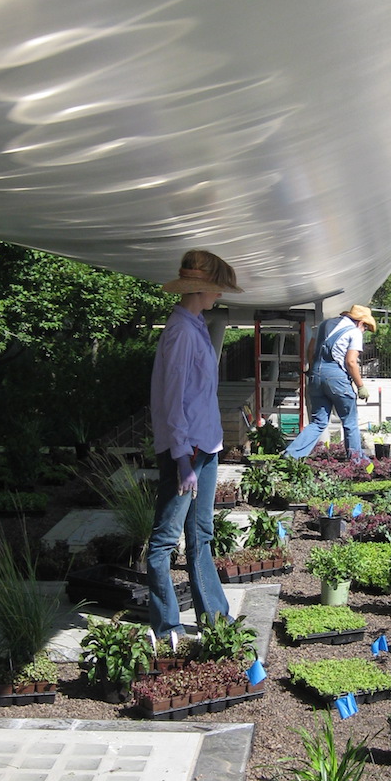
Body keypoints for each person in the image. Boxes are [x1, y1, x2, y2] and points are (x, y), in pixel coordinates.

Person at [147, 249, 242, 646]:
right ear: (201, 288)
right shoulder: (181, 331)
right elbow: (172, 397)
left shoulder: (195, 324)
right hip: (187, 451)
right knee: (164, 542)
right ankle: (168, 626)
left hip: (204, 447)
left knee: (200, 533)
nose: (220, 295)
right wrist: (182, 457)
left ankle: (215, 618)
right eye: (217, 288)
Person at [283, 304, 376, 460]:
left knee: (318, 422)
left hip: (316, 376)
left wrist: (314, 370)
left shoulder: (323, 325)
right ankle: (357, 462)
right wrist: (360, 386)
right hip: (337, 378)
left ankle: (292, 454)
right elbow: (351, 362)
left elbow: (310, 350)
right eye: (366, 327)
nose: (365, 330)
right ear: (360, 322)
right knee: (350, 422)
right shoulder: (354, 332)